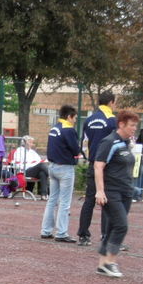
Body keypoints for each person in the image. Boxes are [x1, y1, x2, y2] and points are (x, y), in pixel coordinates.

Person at [94, 110, 139, 277]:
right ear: (121, 124)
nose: (135, 128)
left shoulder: (126, 143)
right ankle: (110, 262)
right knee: (121, 225)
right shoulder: (109, 142)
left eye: (135, 125)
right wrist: (100, 191)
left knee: (113, 226)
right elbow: (98, 166)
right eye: (132, 125)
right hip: (111, 192)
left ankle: (102, 265)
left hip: (126, 191)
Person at [77, 91, 117, 246]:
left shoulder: (89, 119)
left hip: (92, 164)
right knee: (106, 200)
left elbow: (84, 143)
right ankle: (105, 235)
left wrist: (90, 159)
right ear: (111, 102)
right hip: (107, 165)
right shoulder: (112, 120)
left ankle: (83, 235)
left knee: (89, 200)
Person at [40, 105, 82, 243]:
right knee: (64, 201)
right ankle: (61, 232)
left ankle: (46, 230)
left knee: (52, 200)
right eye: (75, 118)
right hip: (65, 167)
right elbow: (75, 149)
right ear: (69, 116)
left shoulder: (54, 128)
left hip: (52, 166)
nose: (75, 121)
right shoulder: (69, 130)